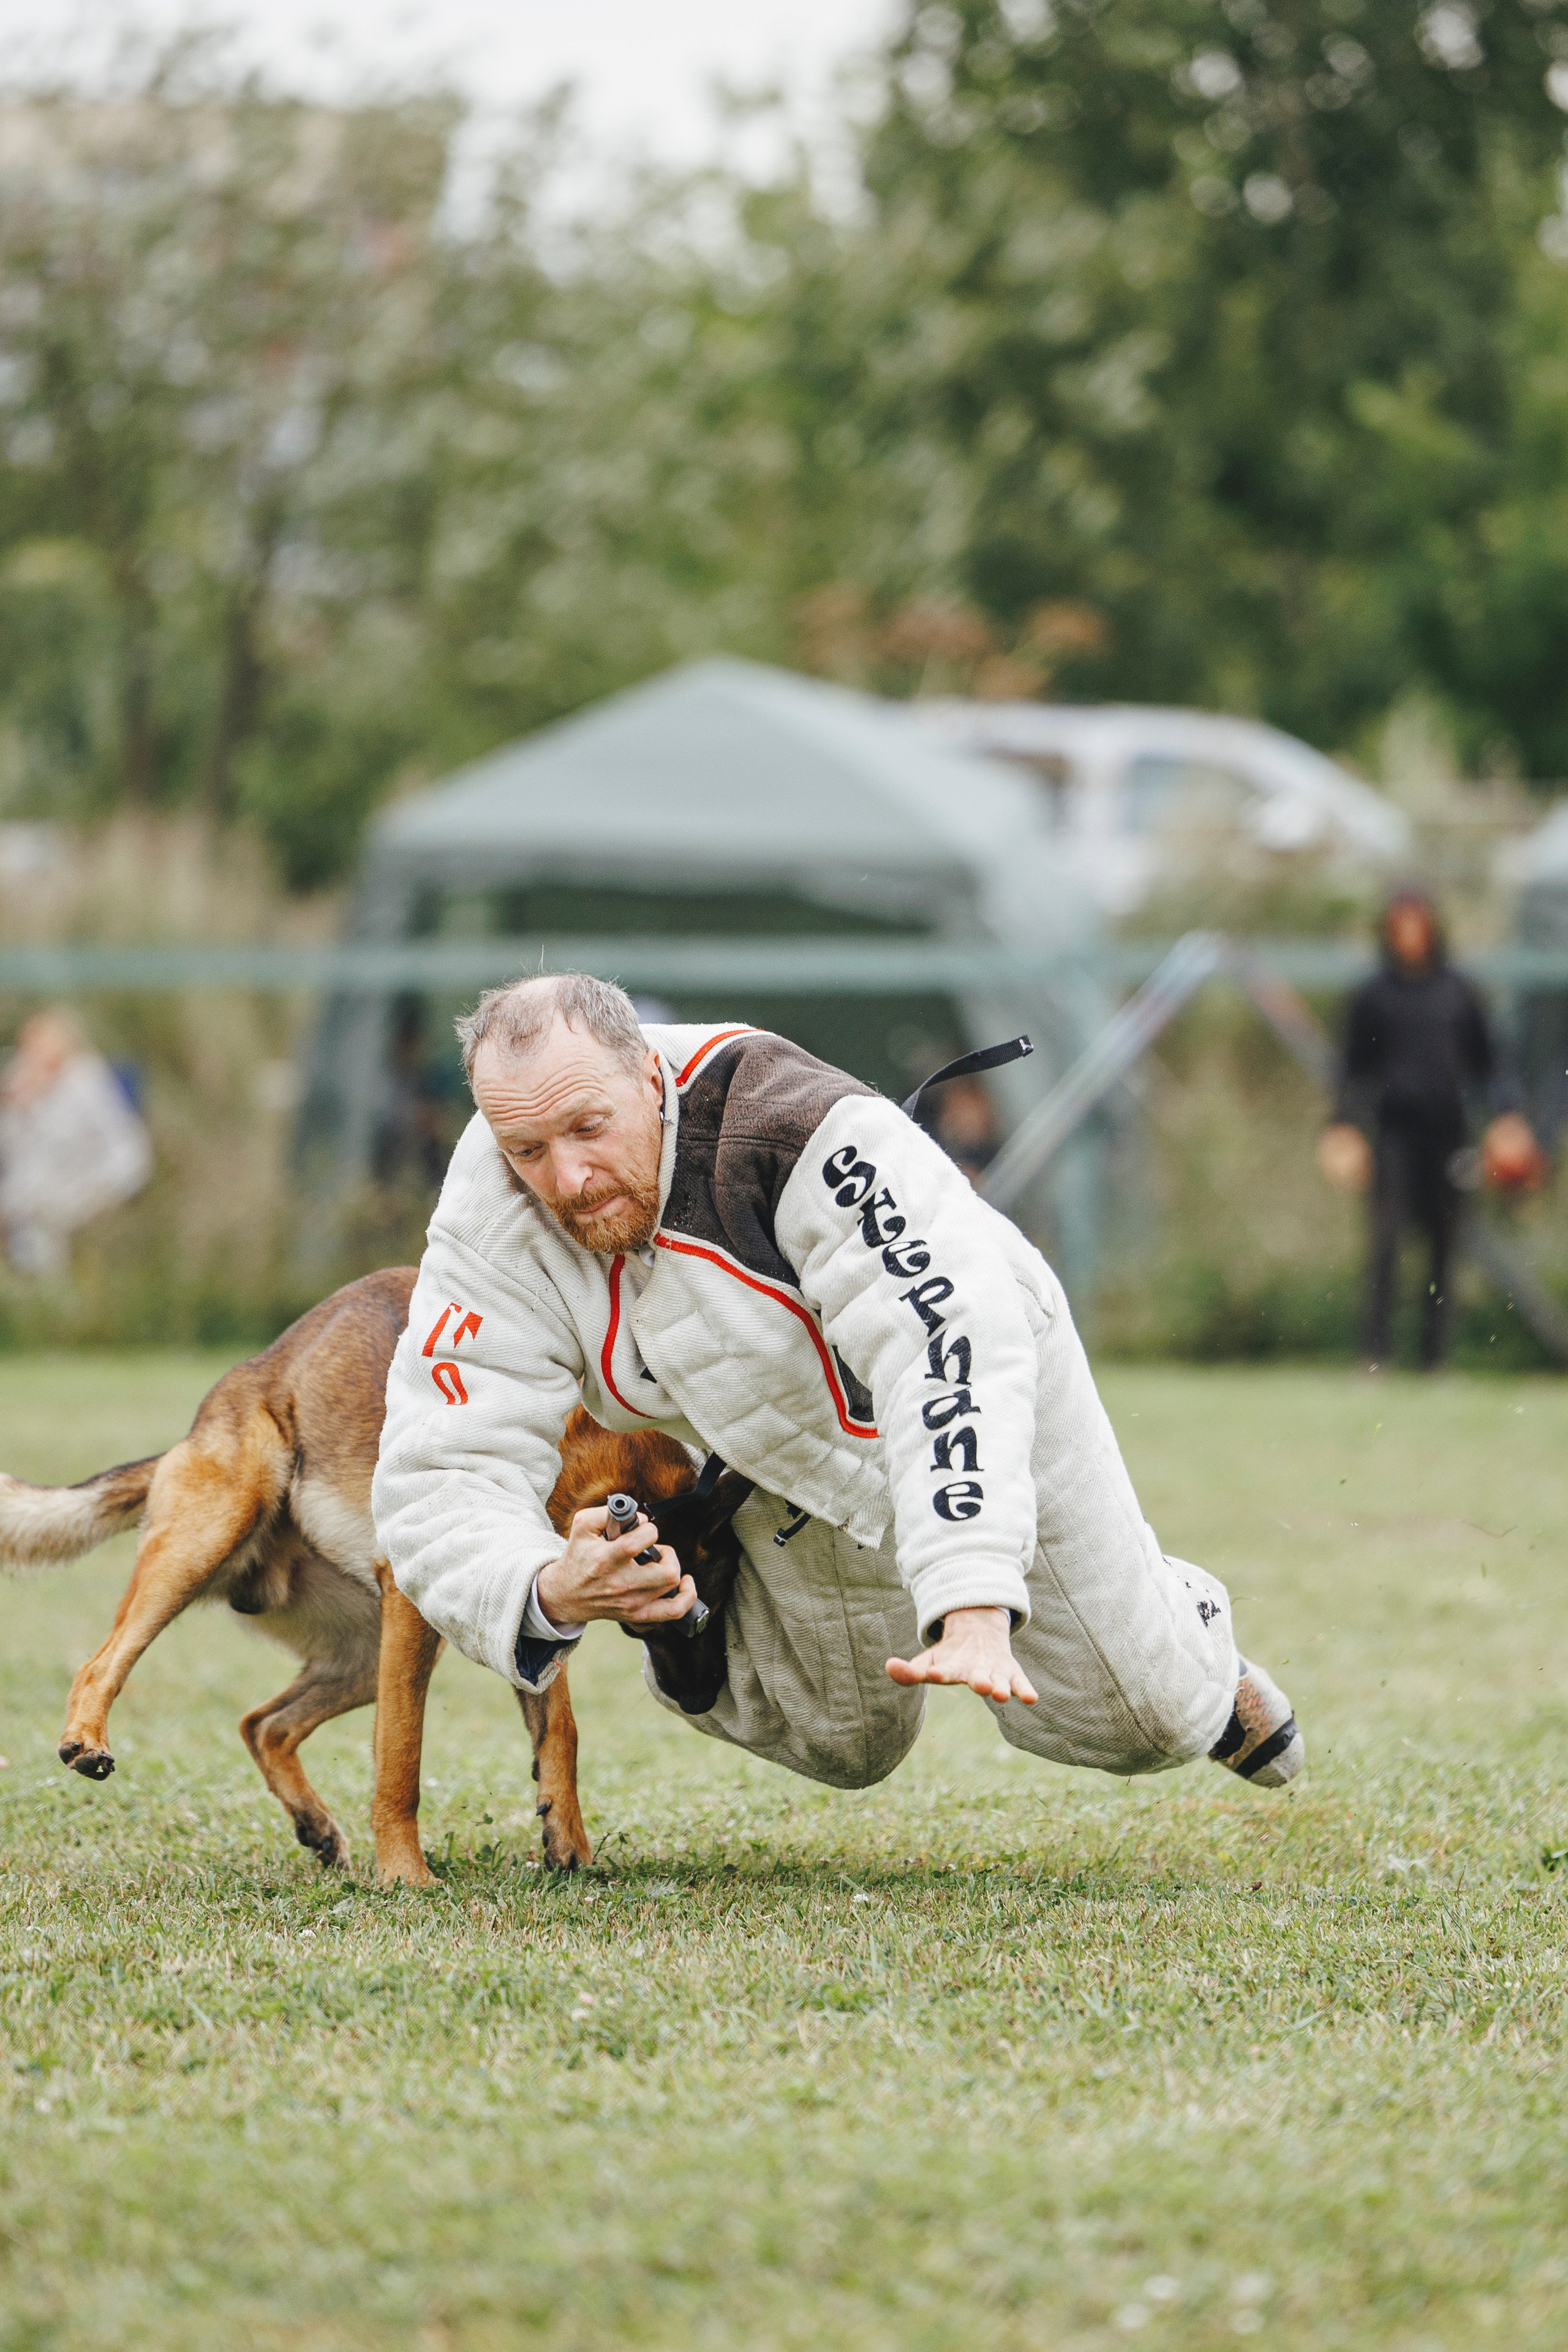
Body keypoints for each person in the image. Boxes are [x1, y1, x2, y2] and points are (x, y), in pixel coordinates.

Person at [373, 974, 1303, 1801]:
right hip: (773, 1447)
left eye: (588, 1128)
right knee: (841, 1744)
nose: (565, 1178)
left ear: (650, 1080)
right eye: (527, 1149)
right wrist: (546, 1587)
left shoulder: (794, 1123)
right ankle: (689, 1628)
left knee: (1143, 1721)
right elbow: (439, 1465)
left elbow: (947, 1341)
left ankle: (1182, 1628)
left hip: (979, 1377)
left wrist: (973, 1591)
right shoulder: (493, 1209)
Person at [1317, 889, 1541, 1371]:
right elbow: (1352, 1069)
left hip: (1449, 1133)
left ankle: (1434, 1359)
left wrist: (1508, 1118)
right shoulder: (1374, 994)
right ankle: (1374, 1355)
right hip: (1393, 1132)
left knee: (1445, 1247)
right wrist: (1340, 1126)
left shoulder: (1459, 991)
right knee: (1386, 1243)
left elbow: (1490, 1064)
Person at [0, 1009, 153, 1276]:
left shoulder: (88, 1084)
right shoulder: (21, 1084)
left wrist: (95, 1195)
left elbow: (128, 1155)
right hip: (24, 1195)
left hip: (72, 1195)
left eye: (36, 1046)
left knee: (37, 1240)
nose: (29, 1056)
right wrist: (15, 1105)